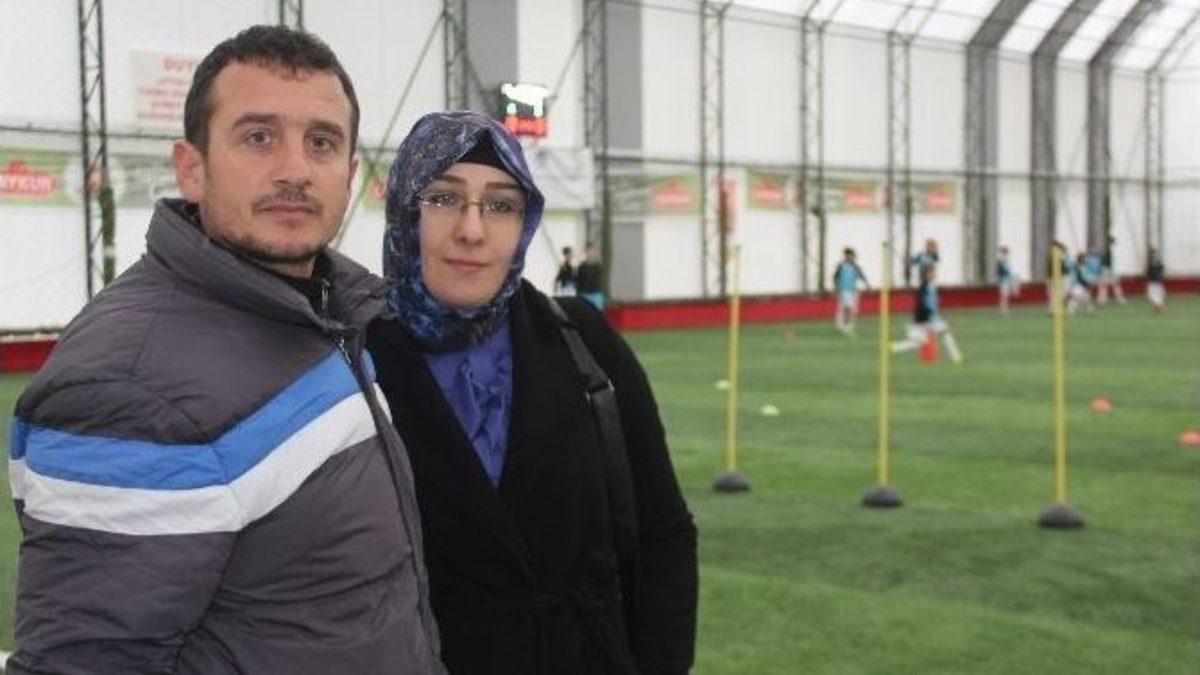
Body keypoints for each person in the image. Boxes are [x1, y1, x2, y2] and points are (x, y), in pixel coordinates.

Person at [6, 26, 444, 675]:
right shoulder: (129, 385)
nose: (295, 169)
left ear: (350, 175)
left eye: (321, 142)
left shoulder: (330, 313)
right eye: (259, 137)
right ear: (192, 168)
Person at [367, 111, 698, 675]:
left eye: (501, 205)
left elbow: (663, 530)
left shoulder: (581, 340)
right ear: (405, 210)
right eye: (444, 198)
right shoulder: (358, 363)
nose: (472, 230)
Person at [891, 265, 963, 364]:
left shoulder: (928, 286)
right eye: (931, 272)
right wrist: (933, 315)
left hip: (926, 318)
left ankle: (894, 347)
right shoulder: (925, 287)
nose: (934, 274)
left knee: (919, 342)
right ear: (925, 275)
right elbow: (926, 304)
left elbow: (929, 303)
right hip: (926, 319)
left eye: (933, 272)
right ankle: (957, 358)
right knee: (942, 334)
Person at [831, 247, 869, 336]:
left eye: (852, 256)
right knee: (847, 307)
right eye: (849, 255)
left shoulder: (855, 266)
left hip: (853, 291)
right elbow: (835, 277)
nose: (851, 257)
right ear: (846, 256)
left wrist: (867, 285)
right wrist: (836, 289)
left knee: (852, 309)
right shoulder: (841, 266)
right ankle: (846, 326)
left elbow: (861, 275)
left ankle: (842, 324)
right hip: (844, 290)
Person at [1096, 236, 1126, 305]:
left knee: (1113, 284)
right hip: (1106, 268)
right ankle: (1102, 299)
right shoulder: (1107, 250)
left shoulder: (1111, 250)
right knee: (1105, 284)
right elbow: (1102, 260)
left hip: (1109, 269)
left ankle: (1118, 298)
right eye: (1113, 242)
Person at [576, 242, 606, 309]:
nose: (589, 254)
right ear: (585, 252)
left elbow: (602, 281)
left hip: (596, 294)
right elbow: (578, 282)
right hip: (584, 294)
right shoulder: (581, 267)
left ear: (594, 252)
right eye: (587, 251)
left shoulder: (598, 267)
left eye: (591, 251)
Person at [996, 245, 1019, 316]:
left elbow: (1010, 272)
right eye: (1005, 253)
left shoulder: (1007, 262)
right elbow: (1001, 272)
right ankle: (1004, 310)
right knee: (1004, 296)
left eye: (1007, 253)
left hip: (1008, 281)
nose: (1007, 255)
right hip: (1004, 281)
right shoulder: (1001, 262)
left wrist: (1013, 278)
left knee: (1007, 296)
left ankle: (1005, 308)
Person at [1146, 248, 1166, 313]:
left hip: (1155, 282)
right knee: (1155, 296)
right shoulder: (1154, 264)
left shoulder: (1155, 264)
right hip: (1155, 282)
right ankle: (1158, 307)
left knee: (1155, 295)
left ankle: (1159, 307)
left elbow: (1150, 273)